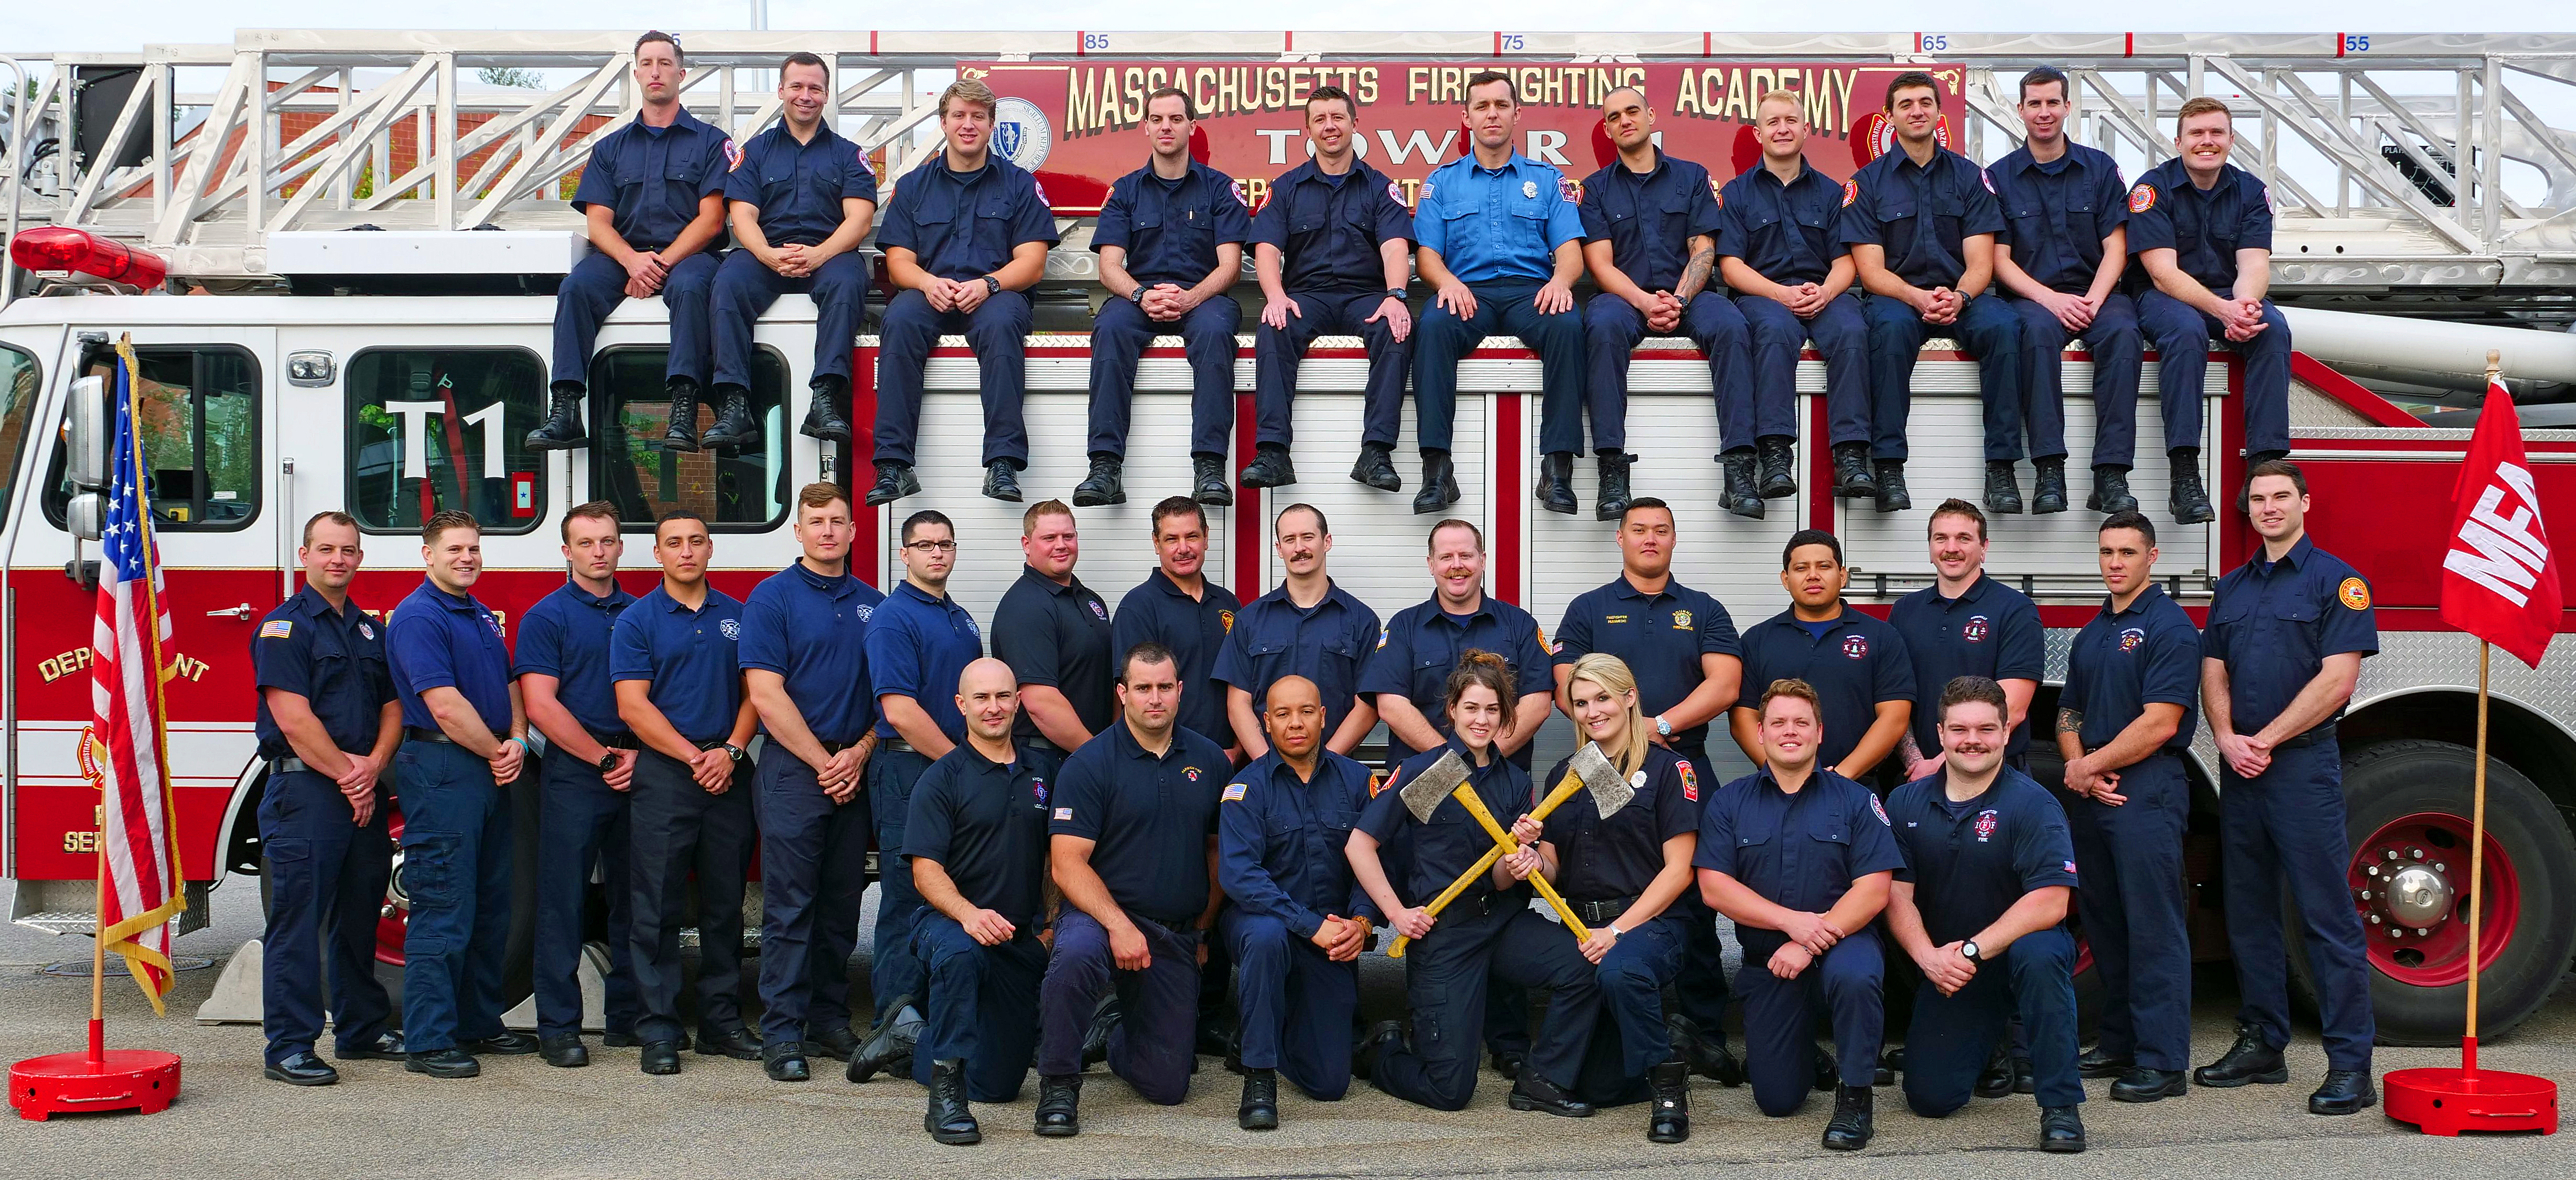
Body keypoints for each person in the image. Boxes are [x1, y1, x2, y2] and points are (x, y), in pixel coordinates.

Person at [2194, 460, 2377, 1115]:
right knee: (2247, 912)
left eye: (2280, 497)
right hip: (2240, 769)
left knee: (2325, 916)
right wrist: (2223, 736)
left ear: (2305, 502)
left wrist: (2263, 739)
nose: (2268, 507)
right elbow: (2212, 669)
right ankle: (2262, 1043)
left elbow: (2337, 681)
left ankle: (2352, 1066)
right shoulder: (2232, 587)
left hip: (2299, 767)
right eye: (2258, 499)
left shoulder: (2338, 582)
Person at [1348, 653, 1603, 1116]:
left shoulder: (1512, 782)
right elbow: (1360, 845)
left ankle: (1542, 1078)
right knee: (1449, 1090)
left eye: (1491, 710)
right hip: (1445, 933)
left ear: (1505, 715)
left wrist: (1523, 859)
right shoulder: (1426, 771)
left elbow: (1501, 877)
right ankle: (1380, 1052)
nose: (1481, 720)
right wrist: (1397, 913)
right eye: (1471, 708)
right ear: (1451, 709)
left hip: (1502, 922)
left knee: (1584, 966)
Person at [1549, 496, 1742, 1079]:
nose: (1650, 539)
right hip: (1602, 766)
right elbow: (1566, 690)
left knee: (1693, 897)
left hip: (1682, 763)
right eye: (1639, 530)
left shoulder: (1703, 608)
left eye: (1661, 529)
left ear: (1674, 539)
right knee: (1613, 877)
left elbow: (1726, 683)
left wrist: (1657, 728)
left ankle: (1704, 1033)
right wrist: (1624, 741)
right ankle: (1629, 1016)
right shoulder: (1588, 608)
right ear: (1620, 538)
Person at [1697, 678, 1903, 1150]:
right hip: (1773, 957)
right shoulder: (1730, 802)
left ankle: (1854, 1100)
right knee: (1776, 1099)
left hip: (1844, 941)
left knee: (1856, 977)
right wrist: (1791, 923)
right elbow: (1714, 887)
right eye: (1778, 723)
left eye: (1801, 722)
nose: (1790, 731)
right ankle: (1805, 1055)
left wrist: (1810, 937)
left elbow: (1873, 890)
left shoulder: (1854, 799)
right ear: (1761, 733)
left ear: (1819, 732)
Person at [1884, 676, 2086, 1153]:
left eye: (1984, 729)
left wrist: (1974, 951)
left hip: (2013, 952)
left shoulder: (2033, 803)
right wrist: (1928, 957)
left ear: (2004, 733)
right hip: (1951, 967)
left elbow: (2051, 900)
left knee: (2039, 955)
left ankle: (2060, 1105)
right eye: (1959, 729)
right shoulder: (1905, 802)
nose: (1971, 739)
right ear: (1940, 733)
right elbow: (1895, 893)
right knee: (1930, 1098)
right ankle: (1991, 1039)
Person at [1034, 644, 1231, 1132]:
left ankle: (1116, 1033)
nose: (1155, 698)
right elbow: (1066, 864)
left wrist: (1203, 931)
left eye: (1165, 687)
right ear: (1123, 693)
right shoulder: (1090, 762)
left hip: (1172, 931)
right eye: (1143, 688)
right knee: (1075, 952)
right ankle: (1058, 1083)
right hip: (1100, 915)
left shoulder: (1209, 760)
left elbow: (1216, 852)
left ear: (1180, 691)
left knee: (1168, 1087)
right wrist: (1118, 925)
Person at [1517, 655, 1703, 1141]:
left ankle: (1669, 1087)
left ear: (1629, 697)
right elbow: (1555, 869)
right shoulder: (1565, 774)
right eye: (1580, 702)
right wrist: (1534, 860)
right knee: (1600, 1086)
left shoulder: (1669, 770)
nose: (1592, 710)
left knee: (1621, 970)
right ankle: (1680, 1041)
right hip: (1583, 924)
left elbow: (1679, 871)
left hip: (1650, 922)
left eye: (1602, 697)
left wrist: (1617, 931)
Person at [252, 511, 403, 1085]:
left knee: (358, 915)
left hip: (356, 785)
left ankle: (360, 1028)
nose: (338, 559)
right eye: (326, 549)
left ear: (359, 559)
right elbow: (294, 718)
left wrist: (374, 765)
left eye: (348, 550)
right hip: (307, 791)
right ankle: (288, 1045)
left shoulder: (368, 629)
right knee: (299, 919)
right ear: (305, 555)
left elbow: (392, 706)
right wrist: (351, 777)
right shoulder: (284, 628)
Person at [742, 483, 886, 1081]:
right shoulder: (770, 599)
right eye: (816, 522)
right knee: (789, 908)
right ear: (797, 532)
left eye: (838, 522)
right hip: (793, 772)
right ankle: (781, 1031)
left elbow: (892, 694)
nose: (828, 532)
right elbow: (765, 695)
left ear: (854, 532)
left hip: (854, 769)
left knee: (839, 906)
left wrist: (857, 754)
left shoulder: (877, 604)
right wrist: (824, 762)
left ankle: (828, 1020)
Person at [530, 31, 732, 453]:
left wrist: (656, 265)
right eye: (647, 63)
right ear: (636, 73)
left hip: (689, 255)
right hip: (622, 254)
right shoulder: (610, 147)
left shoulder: (712, 143)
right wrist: (631, 261)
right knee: (576, 288)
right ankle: (566, 408)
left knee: (694, 287)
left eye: (664, 63)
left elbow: (712, 220)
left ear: (681, 73)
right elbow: (598, 223)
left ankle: (683, 409)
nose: (655, 71)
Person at [383, 511, 532, 1078]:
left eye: (473, 548)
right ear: (428, 555)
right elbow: (443, 703)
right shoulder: (420, 616)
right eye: (454, 550)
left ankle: (477, 1020)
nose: (467, 557)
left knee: (491, 903)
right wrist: (498, 752)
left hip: (485, 764)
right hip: (444, 764)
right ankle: (428, 1039)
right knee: (443, 902)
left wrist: (517, 737)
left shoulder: (478, 615)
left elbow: (509, 683)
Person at [2056, 511, 2199, 1102]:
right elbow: (2068, 711)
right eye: (2106, 552)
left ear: (2152, 557)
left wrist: (2087, 766)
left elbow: (2160, 721)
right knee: (2106, 922)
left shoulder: (2169, 627)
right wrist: (2078, 767)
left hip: (2146, 789)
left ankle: (2163, 1061)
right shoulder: (2091, 632)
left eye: (2126, 552)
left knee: (2153, 925)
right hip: (2095, 791)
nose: (2115, 562)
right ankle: (2117, 1040)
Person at [611, 508, 759, 1076]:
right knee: (657, 906)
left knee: (725, 905)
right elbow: (632, 705)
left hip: (729, 770)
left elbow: (756, 692)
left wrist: (731, 751)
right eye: (674, 542)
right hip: (668, 775)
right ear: (658, 554)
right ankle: (659, 1030)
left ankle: (722, 1022)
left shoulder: (739, 617)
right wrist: (694, 755)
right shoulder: (636, 620)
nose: (686, 551)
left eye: (696, 541)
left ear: (710, 550)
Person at [870, 77, 1061, 506]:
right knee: (898, 320)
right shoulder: (914, 186)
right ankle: (893, 465)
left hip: (996, 293)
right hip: (929, 291)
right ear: (943, 123)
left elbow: (1032, 263)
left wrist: (989, 283)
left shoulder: (1018, 184)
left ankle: (1003, 463)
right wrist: (927, 282)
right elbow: (899, 262)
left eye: (978, 116)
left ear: (993, 125)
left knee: (1001, 325)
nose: (968, 124)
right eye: (959, 115)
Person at [1842, 71, 2022, 514]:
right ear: (1889, 116)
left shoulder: (1968, 177)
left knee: (2004, 328)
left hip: (1962, 297)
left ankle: (2001, 467)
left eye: (1925, 102)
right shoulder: (1866, 183)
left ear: (1939, 112)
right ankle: (1888, 467)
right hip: (1896, 296)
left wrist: (1958, 298)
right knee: (1886, 333)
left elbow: (1981, 262)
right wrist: (1917, 298)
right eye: (1905, 105)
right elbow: (1869, 271)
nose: (1916, 111)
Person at [1414, 70, 1588, 515]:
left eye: (1501, 105)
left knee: (1568, 324)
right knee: (1431, 326)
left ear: (1516, 114)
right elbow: (1428, 258)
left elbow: (1571, 255)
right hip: (1466, 293)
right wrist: (1447, 282)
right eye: (1481, 106)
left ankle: (1556, 471)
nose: (1492, 114)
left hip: (1531, 292)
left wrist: (1560, 282)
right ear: (1466, 117)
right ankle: (1436, 471)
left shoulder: (1547, 180)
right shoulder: (1441, 182)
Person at [851, 508, 986, 1079]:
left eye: (945, 544)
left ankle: (933, 1021)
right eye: (924, 545)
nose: (936, 553)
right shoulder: (892, 618)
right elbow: (899, 710)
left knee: (946, 898)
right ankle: (894, 1027)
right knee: (906, 901)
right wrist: (964, 763)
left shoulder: (960, 620)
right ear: (902, 555)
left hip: (945, 773)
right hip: (908, 774)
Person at [898, 657, 1054, 1145]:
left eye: (1003, 696)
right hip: (947, 922)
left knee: (1000, 1085)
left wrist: (1050, 927)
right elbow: (925, 871)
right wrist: (967, 914)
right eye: (981, 698)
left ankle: (907, 1035)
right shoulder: (941, 778)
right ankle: (945, 1097)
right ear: (962, 705)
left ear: (1018, 701)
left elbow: (1056, 857)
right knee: (962, 954)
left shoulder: (1044, 772)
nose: (994, 707)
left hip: (1016, 935)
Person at [1215, 675, 1377, 1130]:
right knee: (1266, 936)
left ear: (1324, 717)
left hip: (1331, 936)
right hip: (1262, 924)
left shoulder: (1357, 781)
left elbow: (1375, 862)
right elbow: (1239, 875)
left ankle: (1253, 1031)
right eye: (1282, 714)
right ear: (1266, 723)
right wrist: (1309, 924)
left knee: (1329, 1083)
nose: (1295, 723)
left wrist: (1361, 923)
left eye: (1306, 711)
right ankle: (1258, 1075)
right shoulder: (1245, 789)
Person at [1077, 88, 1250, 508]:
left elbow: (1228, 266)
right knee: (1110, 327)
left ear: (1192, 126)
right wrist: (1140, 295)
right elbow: (1110, 267)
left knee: (1214, 331)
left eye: (1175, 119)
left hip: (1202, 297)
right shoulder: (1124, 191)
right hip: (1139, 298)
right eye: (1157, 119)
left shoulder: (1219, 189)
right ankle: (1104, 468)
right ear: (1146, 127)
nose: (1166, 127)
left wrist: (1191, 299)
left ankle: (1209, 467)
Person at [513, 502, 641, 1068]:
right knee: (561, 901)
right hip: (575, 768)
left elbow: (655, 694)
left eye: (607, 541)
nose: (598, 551)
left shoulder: (641, 613)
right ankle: (558, 1027)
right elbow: (540, 704)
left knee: (636, 902)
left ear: (619, 548)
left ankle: (628, 1019)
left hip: (639, 764)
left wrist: (636, 755)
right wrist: (601, 758)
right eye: (585, 543)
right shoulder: (547, 617)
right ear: (566, 551)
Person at [1580, 86, 1747, 519]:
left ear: (1651, 115)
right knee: (1599, 327)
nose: (1624, 120)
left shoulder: (1691, 177)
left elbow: (1704, 249)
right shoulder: (1595, 189)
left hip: (1689, 295)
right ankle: (1611, 470)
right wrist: (1642, 301)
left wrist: (1676, 299)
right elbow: (1599, 263)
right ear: (1607, 129)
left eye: (1632, 110)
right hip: (1623, 297)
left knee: (1732, 324)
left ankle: (1740, 468)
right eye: (1614, 116)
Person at [1242, 84, 1415, 495]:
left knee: (1398, 327)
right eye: (1319, 119)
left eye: (1337, 117)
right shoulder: (1285, 188)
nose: (1329, 126)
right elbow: (1266, 250)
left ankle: (1375, 453)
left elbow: (1394, 247)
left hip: (1365, 296)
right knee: (1273, 327)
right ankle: (1272, 453)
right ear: (1308, 129)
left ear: (1354, 124)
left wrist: (1395, 296)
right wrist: (1275, 297)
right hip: (1307, 296)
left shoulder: (1378, 186)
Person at [2130, 97, 2294, 524]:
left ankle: (2264, 470)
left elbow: (2254, 265)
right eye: (2197, 133)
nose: (2207, 141)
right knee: (2185, 333)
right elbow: (2163, 274)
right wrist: (2224, 312)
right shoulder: (2151, 189)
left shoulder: (2250, 191)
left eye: (2216, 133)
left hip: (2227, 294)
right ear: (2178, 141)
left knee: (2271, 328)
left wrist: (2244, 307)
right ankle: (2184, 473)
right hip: (2163, 296)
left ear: (2231, 139)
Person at [1988, 66, 2143, 517]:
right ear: (2020, 110)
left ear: (2067, 107)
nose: (2043, 112)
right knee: (2032, 337)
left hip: (2098, 291)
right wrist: (2050, 300)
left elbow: (2117, 245)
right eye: (2034, 104)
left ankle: (2111, 474)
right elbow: (1999, 259)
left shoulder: (2099, 169)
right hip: (2032, 297)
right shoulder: (1997, 177)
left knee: (2122, 334)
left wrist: (2094, 300)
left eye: (2052, 102)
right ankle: (2048, 470)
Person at [710, 51, 879, 452]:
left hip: (829, 254)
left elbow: (859, 219)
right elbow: (741, 217)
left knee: (848, 281)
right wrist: (768, 255)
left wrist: (819, 255)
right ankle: (734, 404)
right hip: (765, 255)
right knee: (727, 283)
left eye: (815, 88)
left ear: (826, 95)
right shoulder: (754, 151)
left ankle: (825, 398)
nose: (805, 95)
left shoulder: (848, 154)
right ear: (782, 90)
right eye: (797, 86)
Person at [1718, 90, 1870, 508]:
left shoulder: (1832, 192)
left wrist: (1826, 291)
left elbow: (1846, 262)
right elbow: (1730, 266)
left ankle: (1851, 456)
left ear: (1806, 129)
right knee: (1772, 330)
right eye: (1772, 122)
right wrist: (1778, 293)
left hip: (1823, 291)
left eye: (1790, 120)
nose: (1782, 129)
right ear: (1757, 133)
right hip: (1762, 293)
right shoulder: (1735, 193)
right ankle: (1774, 456)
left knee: (1853, 330)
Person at [1361, 518, 1553, 772]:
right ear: (1431, 564)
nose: (1457, 565)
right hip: (1420, 779)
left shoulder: (1520, 625)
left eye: (1466, 555)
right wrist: (1451, 763)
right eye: (1446, 557)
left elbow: (1537, 704)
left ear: (1482, 560)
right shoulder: (1403, 627)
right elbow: (1391, 706)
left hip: (1501, 781)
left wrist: (1486, 759)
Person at [1731, 529, 1915, 781]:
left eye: (1824, 566)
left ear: (1842, 576)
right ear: (1785, 579)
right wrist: (1784, 775)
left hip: (1858, 787)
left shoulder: (1882, 637)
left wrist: (1841, 777)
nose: (1813, 575)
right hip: (1775, 789)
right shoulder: (1756, 641)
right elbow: (1743, 718)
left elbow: (1894, 718)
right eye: (1801, 568)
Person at [1888, 500, 2043, 781]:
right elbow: (1893, 699)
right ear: (1931, 548)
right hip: (1917, 777)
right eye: (1941, 538)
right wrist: (1917, 764)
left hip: (1995, 779)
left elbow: (2013, 709)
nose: (1951, 548)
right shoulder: (1904, 611)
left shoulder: (2015, 609)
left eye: (1964, 538)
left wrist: (1938, 765)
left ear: (1984, 548)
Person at [1213, 503, 1381, 759]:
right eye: (1290, 540)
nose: (1299, 548)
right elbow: (1238, 704)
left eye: (1308, 537)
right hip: (1265, 776)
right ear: (1280, 549)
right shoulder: (1249, 620)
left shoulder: (1362, 620)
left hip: (1336, 774)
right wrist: (1269, 767)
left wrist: (1327, 765)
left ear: (1327, 542)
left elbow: (1367, 706)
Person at [1112, 497, 1243, 755]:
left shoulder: (1229, 604)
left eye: (1192, 536)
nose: (1183, 548)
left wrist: (1238, 749)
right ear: (1156, 543)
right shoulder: (1138, 608)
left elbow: (1243, 682)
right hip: (1164, 761)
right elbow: (1133, 697)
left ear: (1206, 538)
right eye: (1172, 539)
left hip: (1229, 758)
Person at [991, 501, 1115, 767]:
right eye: (1049, 538)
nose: (1061, 545)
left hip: (1089, 755)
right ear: (1026, 544)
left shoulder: (1091, 600)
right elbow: (1040, 702)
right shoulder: (1026, 605)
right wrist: (1100, 756)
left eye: (1068, 536)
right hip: (1045, 760)